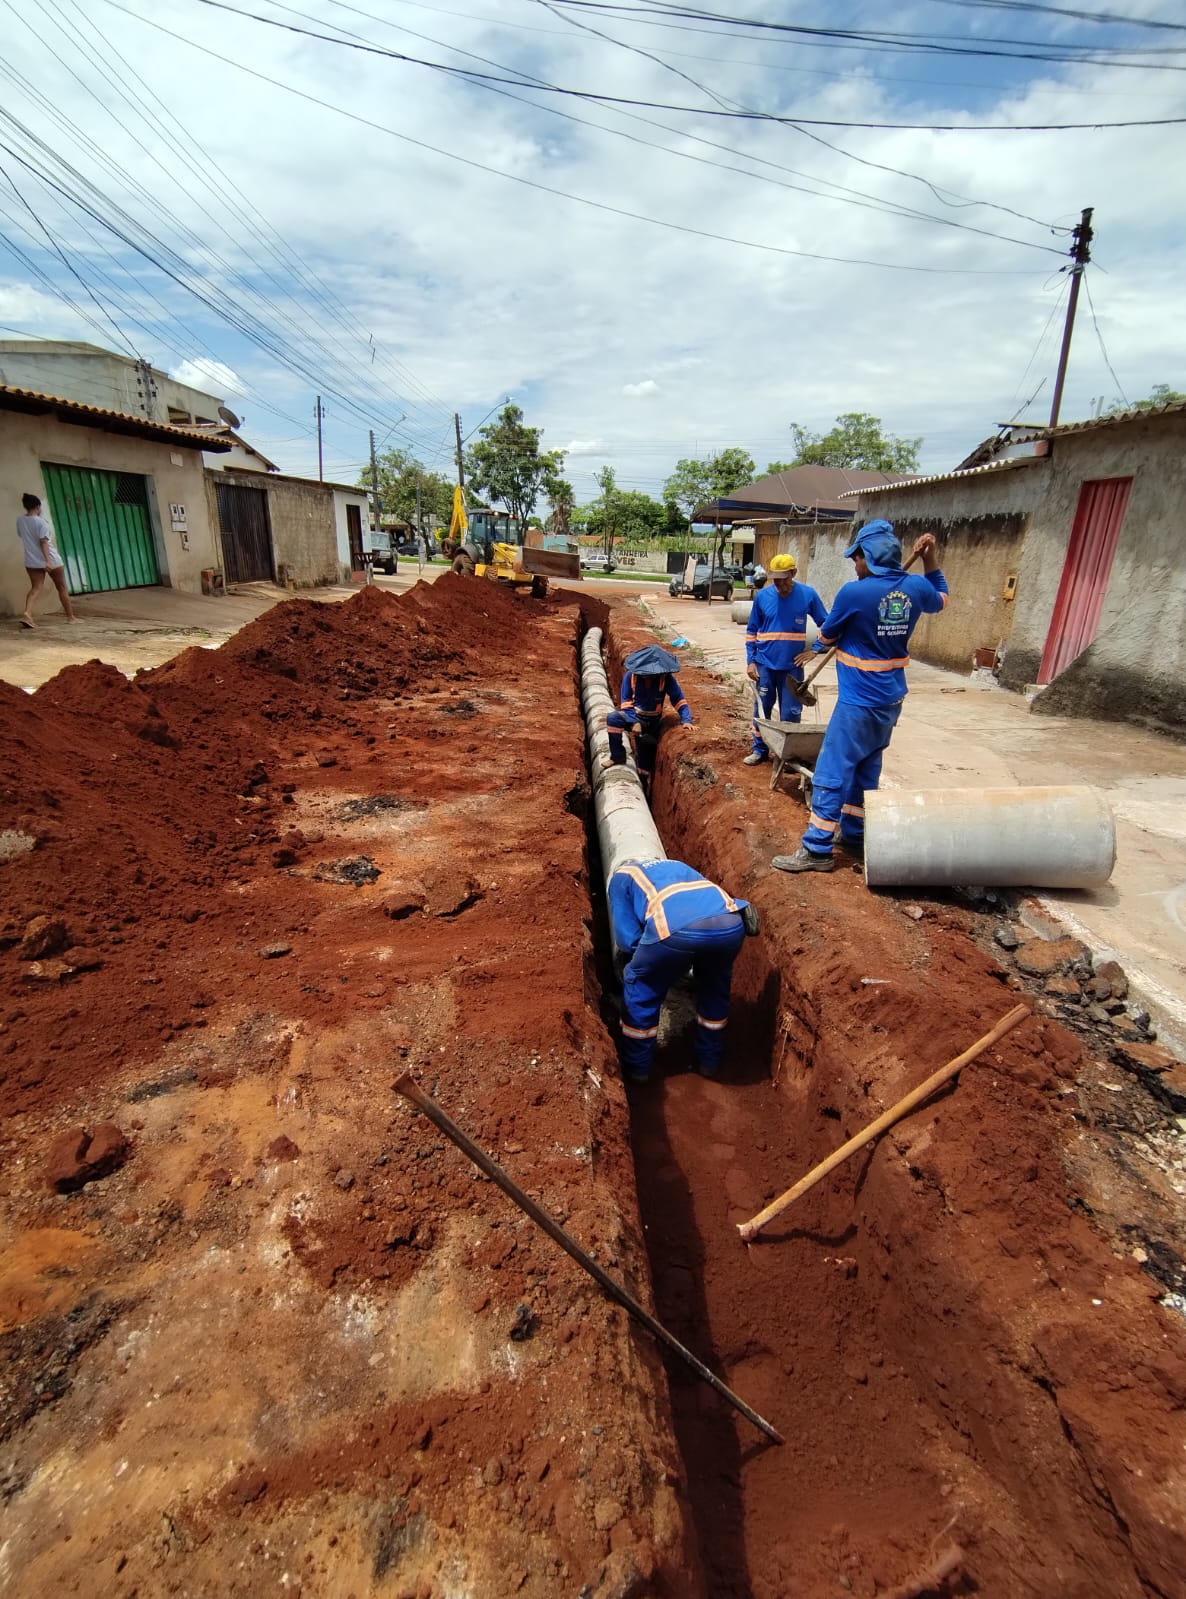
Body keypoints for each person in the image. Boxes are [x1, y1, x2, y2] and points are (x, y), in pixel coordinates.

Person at [772, 520, 947, 874]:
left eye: (857, 558)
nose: (855, 565)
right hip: (890, 701)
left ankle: (817, 848)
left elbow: (827, 635)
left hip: (858, 702)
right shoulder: (914, 587)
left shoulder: (855, 593)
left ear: (869, 556)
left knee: (831, 771)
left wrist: (823, 643)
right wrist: (931, 560)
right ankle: (854, 833)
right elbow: (941, 598)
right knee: (867, 768)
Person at [609, 857, 752, 1083]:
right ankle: (709, 1061)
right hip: (731, 924)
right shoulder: (674, 865)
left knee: (641, 983)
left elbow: (627, 941)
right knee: (715, 986)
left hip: (676, 928)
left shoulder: (621, 878)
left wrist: (657, 963)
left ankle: (637, 1069)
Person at [743, 552, 828, 765]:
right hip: (765, 665)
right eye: (776, 580)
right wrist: (751, 660)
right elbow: (752, 630)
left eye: (784, 579)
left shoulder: (808, 595)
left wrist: (815, 650)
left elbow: (826, 625)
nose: (780, 584)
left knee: (791, 713)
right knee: (762, 709)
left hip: (792, 667)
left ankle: (789, 756)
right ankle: (760, 750)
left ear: (793, 573)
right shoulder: (763, 597)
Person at [606, 645, 693, 797]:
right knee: (613, 719)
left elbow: (679, 700)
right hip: (633, 715)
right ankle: (617, 756)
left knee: (644, 765)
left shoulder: (666, 679)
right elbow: (626, 703)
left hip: (652, 722)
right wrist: (634, 722)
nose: (648, 677)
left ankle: (643, 789)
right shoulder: (630, 677)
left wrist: (686, 720)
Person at [16, 493, 76, 628]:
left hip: (31, 561)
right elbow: (43, 542)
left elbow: (22, 535)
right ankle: (71, 617)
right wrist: (48, 562)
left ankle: (27, 613)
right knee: (61, 588)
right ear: (38, 506)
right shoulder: (41, 522)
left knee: (36, 588)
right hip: (51, 560)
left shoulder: (20, 520)